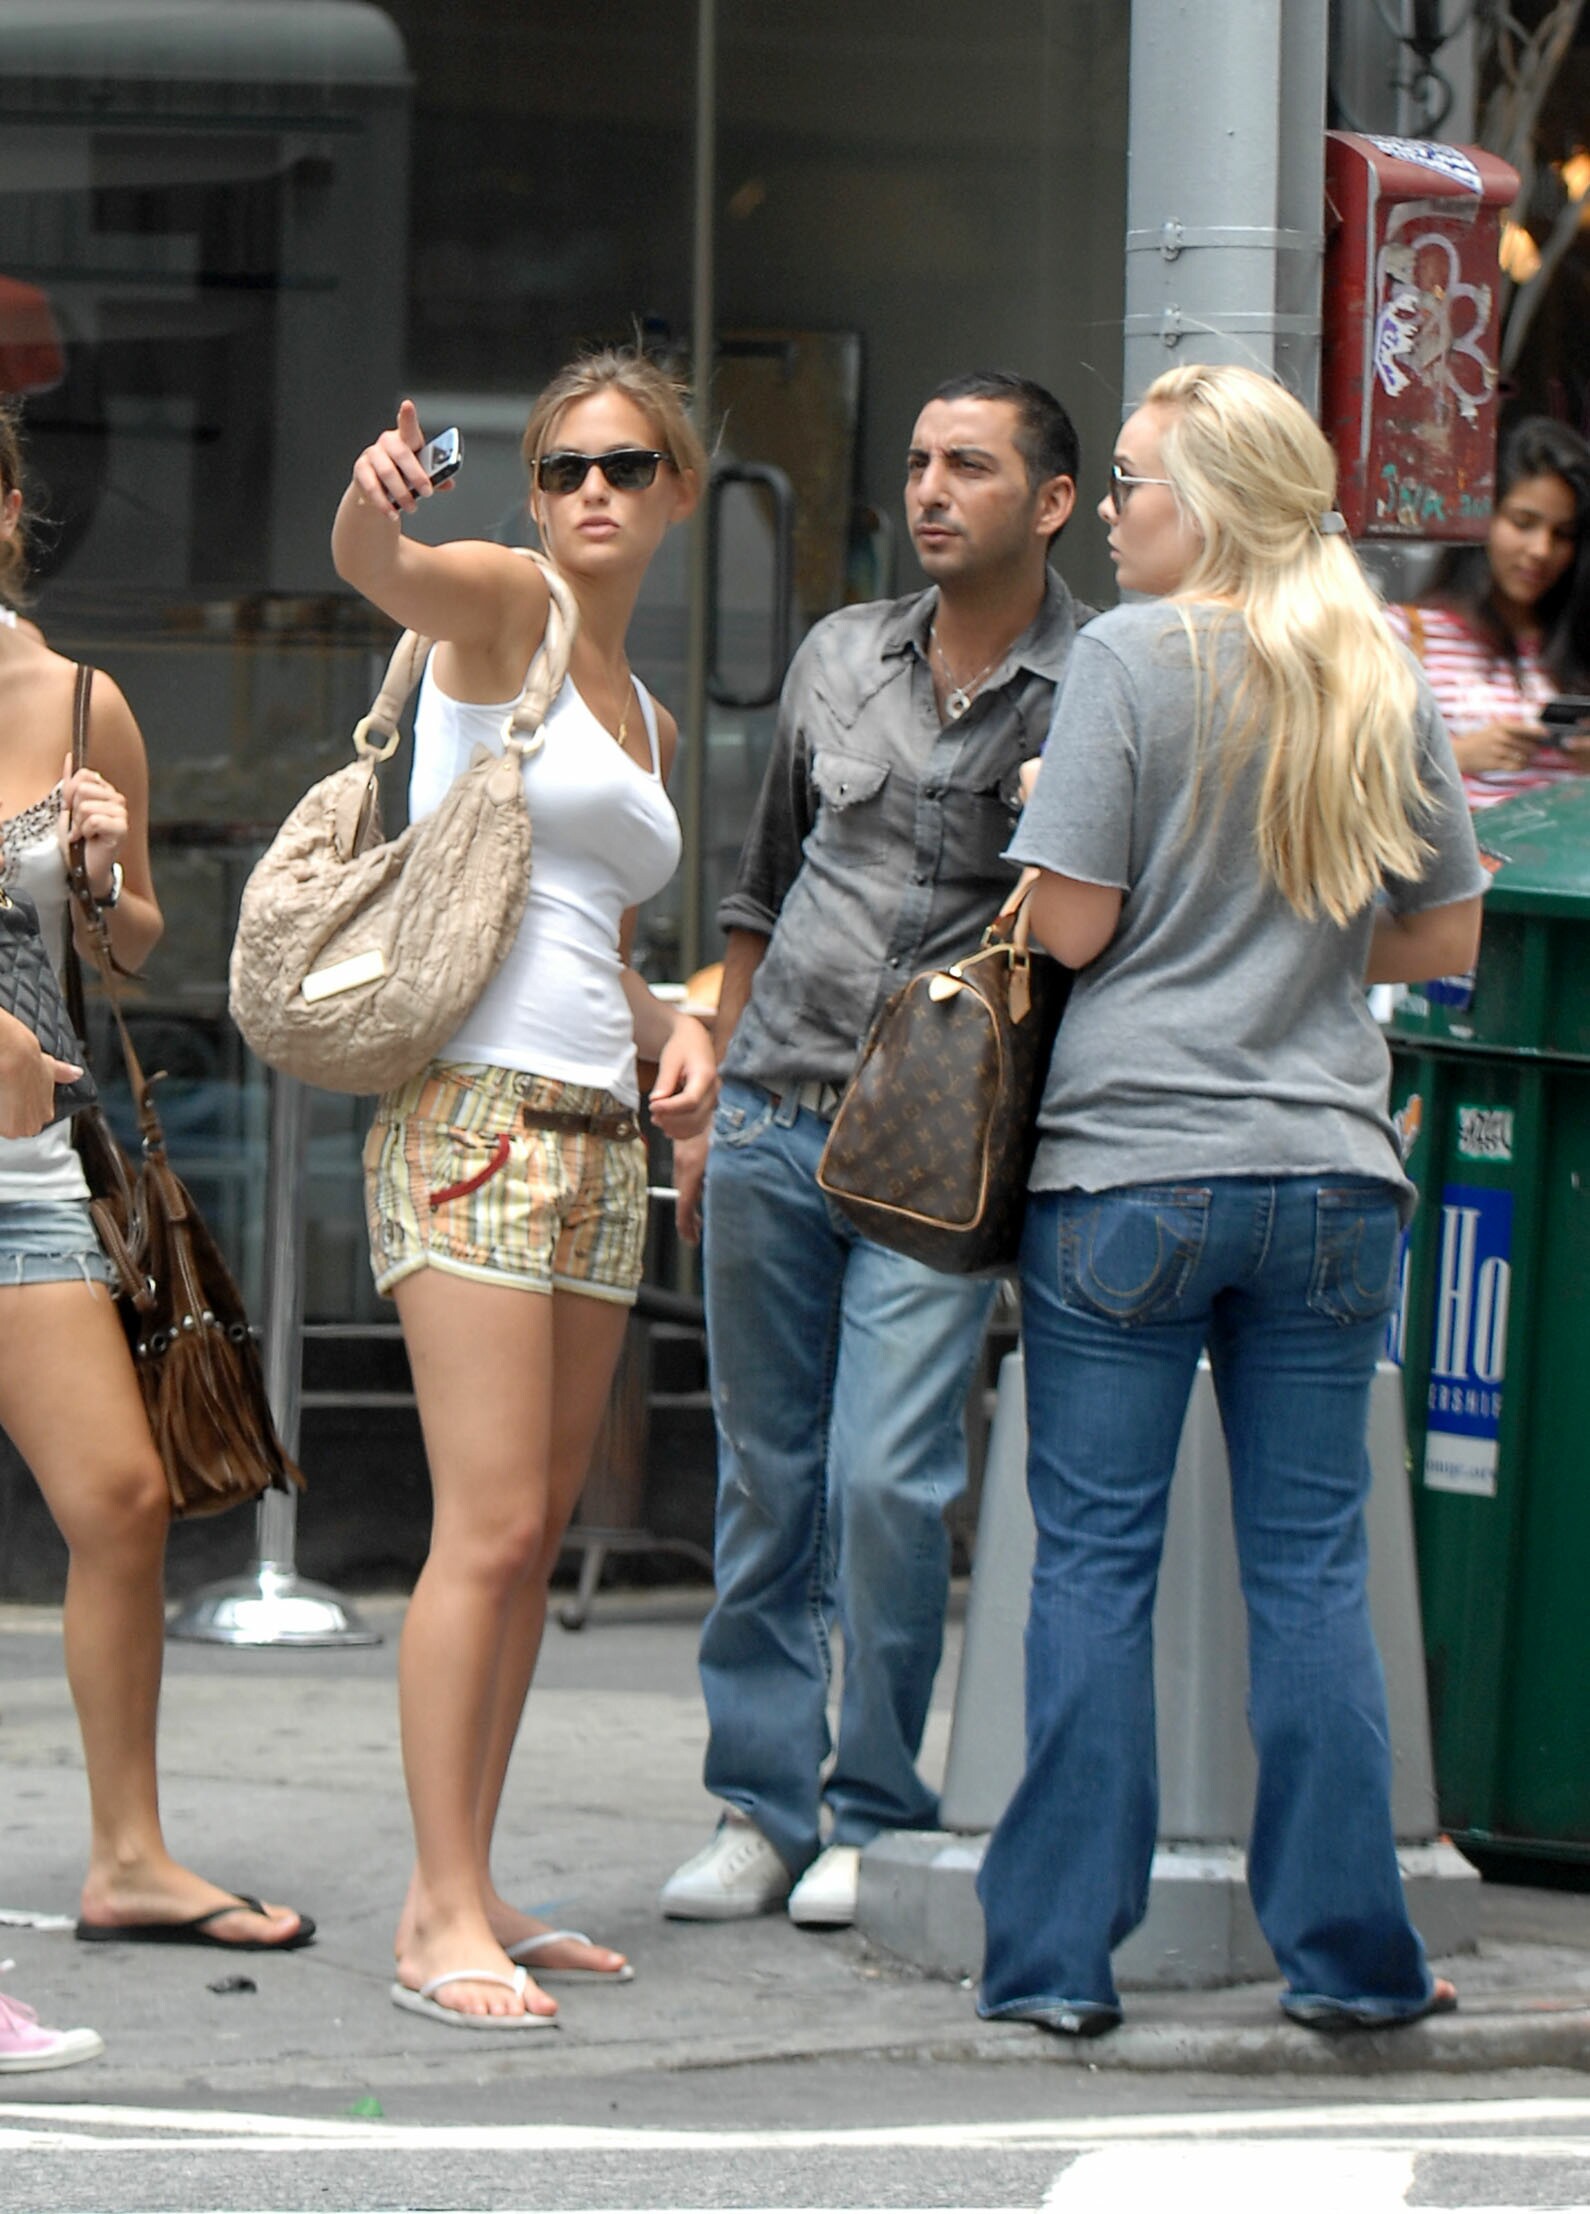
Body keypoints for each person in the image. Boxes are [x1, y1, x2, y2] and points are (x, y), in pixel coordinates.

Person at [978, 362, 1487, 2039]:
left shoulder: (1129, 660)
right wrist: (1297, 940)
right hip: (1330, 1170)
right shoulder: (1370, 663)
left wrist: (1046, 818)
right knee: (1313, 1571)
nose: (1112, 510)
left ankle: (1056, 1958)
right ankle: (1349, 1956)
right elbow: (1443, 933)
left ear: (1201, 504)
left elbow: (1069, 926)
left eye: (1130, 482)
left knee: (1094, 1565)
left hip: (1130, 1167)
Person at [661, 371, 1089, 1932]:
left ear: (1049, 501)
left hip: (938, 1141)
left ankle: (874, 1805)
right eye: (917, 462)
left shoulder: (1094, 685)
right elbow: (761, 877)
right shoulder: (841, 653)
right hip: (777, 1104)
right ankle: (758, 1805)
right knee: (765, 1478)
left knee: (887, 1481)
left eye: (967, 465)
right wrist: (714, 1072)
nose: (928, 489)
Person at [332, 350, 717, 2029]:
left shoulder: (650, 714)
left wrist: (674, 1027)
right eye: (564, 467)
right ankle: (431, 1910)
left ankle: (477, 1878)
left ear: (678, 489)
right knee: (482, 1526)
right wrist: (373, 502)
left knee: (538, 1531)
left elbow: (586, 938)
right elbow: (380, 566)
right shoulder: (500, 605)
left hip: (595, 1129)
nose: (592, 494)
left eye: (625, 466)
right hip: (471, 1117)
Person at [0, 402, 312, 1980]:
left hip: (25, 1165)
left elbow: (128, 949)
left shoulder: (77, 702)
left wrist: (106, 875)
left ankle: (128, 1855)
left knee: (119, 1499)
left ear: (8, 509)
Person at [1387, 415, 1590, 808]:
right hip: (1462, 844)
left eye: (1563, 534)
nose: (1541, 550)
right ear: (1481, 518)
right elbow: (1346, 774)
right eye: (1523, 523)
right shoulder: (1406, 633)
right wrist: (1457, 756)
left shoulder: (1577, 640)